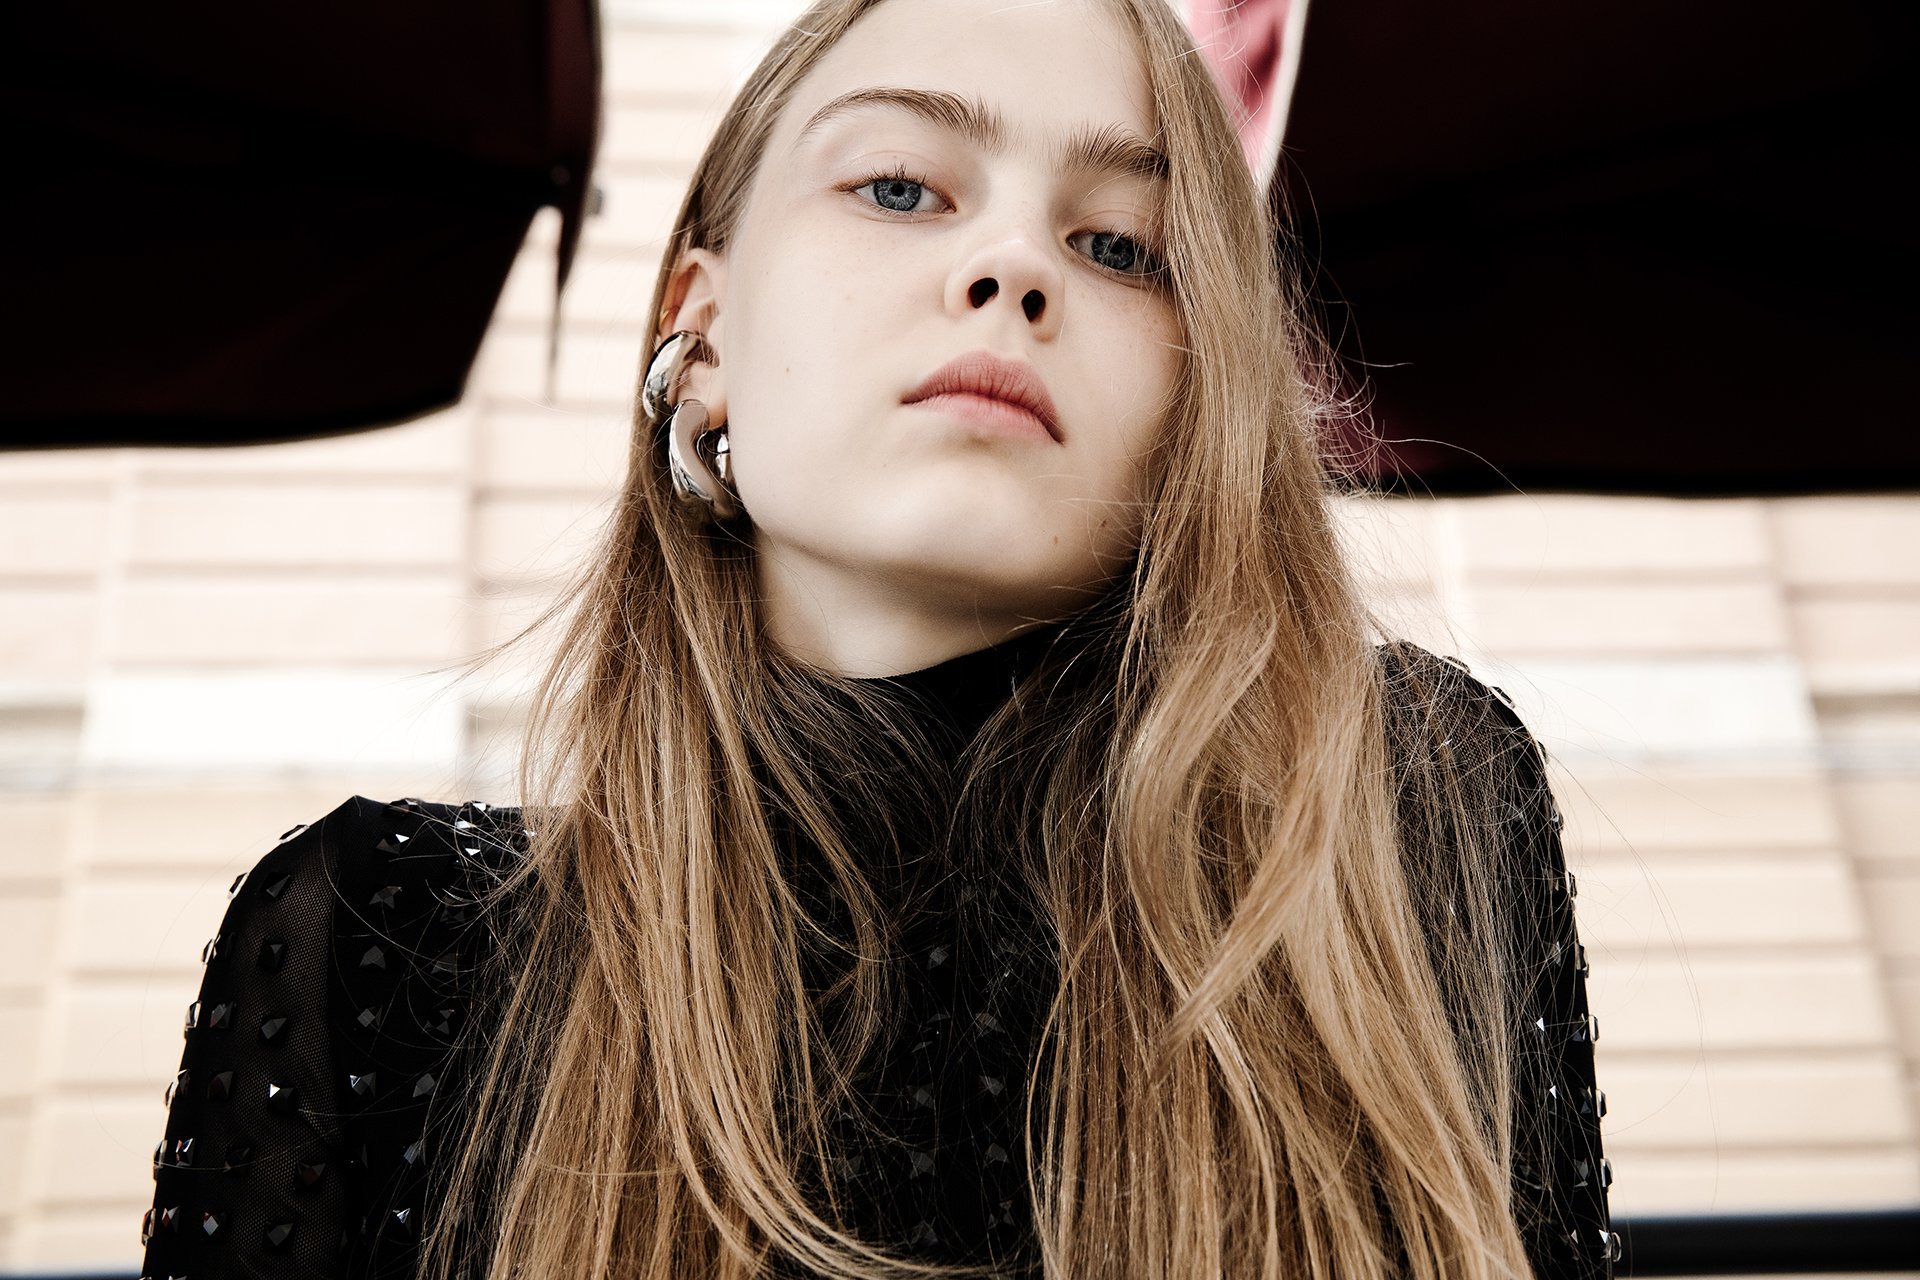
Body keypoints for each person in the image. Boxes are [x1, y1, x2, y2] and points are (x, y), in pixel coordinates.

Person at [140, 0, 1614, 1276]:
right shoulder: (383, 948)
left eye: (1122, 243)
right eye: (903, 187)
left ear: (1194, 403)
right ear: (699, 335)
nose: (1014, 268)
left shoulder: (1397, 815)